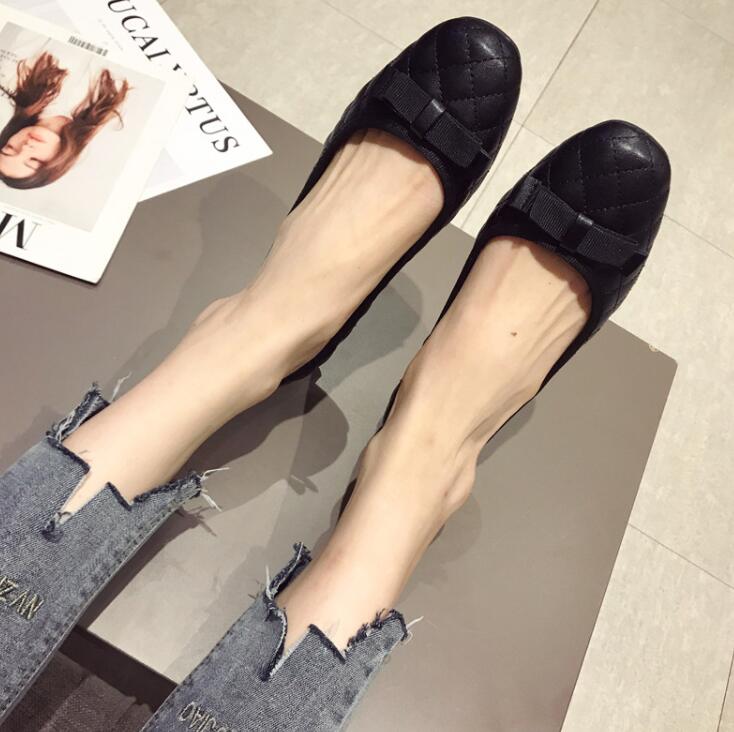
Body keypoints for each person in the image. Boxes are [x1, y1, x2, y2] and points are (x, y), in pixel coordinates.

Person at [0, 49, 128, 188]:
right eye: (34, 160)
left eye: (9, 148)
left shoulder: (15, 79)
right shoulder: (110, 119)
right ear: (57, 163)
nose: (25, 147)